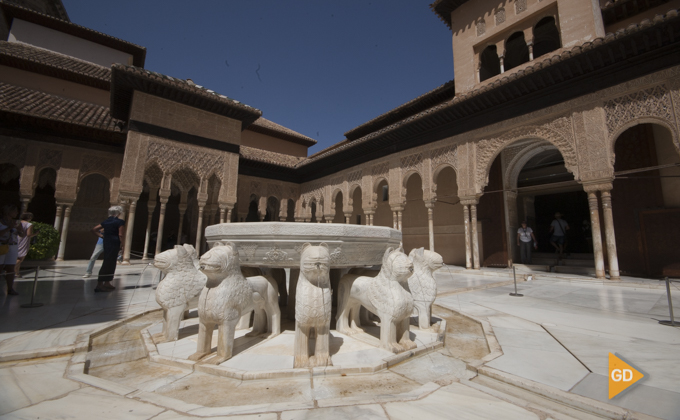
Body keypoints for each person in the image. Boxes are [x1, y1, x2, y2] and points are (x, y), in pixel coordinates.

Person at [91, 206, 125, 293]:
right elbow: (120, 234)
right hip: (114, 243)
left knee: (108, 261)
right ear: (118, 213)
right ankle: (100, 284)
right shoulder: (119, 222)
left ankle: (106, 282)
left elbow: (94, 229)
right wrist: (122, 245)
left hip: (107, 242)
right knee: (109, 263)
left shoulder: (106, 221)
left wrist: (102, 236)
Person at [0, 204, 26, 295]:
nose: (16, 213)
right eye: (14, 211)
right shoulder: (1, 222)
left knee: (11, 268)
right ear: (8, 212)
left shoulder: (15, 222)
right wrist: (9, 228)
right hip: (2, 246)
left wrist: (20, 230)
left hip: (13, 246)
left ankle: (10, 289)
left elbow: (22, 235)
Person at [15, 212, 36, 278]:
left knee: (17, 257)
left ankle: (16, 273)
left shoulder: (17, 222)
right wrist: (35, 234)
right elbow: (29, 234)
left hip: (16, 240)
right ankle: (11, 270)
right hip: (24, 241)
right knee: (20, 258)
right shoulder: (29, 224)